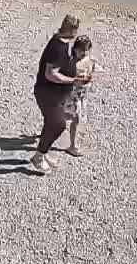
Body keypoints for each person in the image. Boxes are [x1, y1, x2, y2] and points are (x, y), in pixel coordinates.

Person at [29, 14, 81, 174]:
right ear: (72, 30)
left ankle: (43, 153)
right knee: (58, 125)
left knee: (51, 123)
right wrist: (72, 80)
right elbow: (51, 74)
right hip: (48, 94)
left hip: (57, 95)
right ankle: (38, 157)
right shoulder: (57, 47)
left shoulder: (63, 44)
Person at [66, 34, 96, 157]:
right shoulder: (70, 63)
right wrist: (75, 79)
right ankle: (73, 146)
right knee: (76, 119)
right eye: (81, 49)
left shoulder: (89, 61)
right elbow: (64, 78)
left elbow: (91, 72)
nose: (84, 52)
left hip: (82, 95)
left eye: (86, 49)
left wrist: (89, 78)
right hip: (71, 95)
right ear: (75, 49)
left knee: (69, 117)